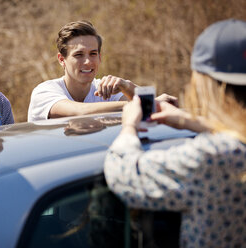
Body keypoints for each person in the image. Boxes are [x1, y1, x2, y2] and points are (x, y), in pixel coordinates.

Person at [104, 19, 246, 247]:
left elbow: (124, 172)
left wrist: (129, 125)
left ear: (206, 84)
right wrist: (194, 122)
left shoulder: (215, 156)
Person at [27, 20, 176, 122]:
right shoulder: (44, 91)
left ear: (100, 57)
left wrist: (127, 86)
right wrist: (139, 104)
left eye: (93, 54)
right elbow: (80, 112)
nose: (87, 61)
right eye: (79, 55)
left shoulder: (105, 90)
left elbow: (153, 111)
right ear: (61, 60)